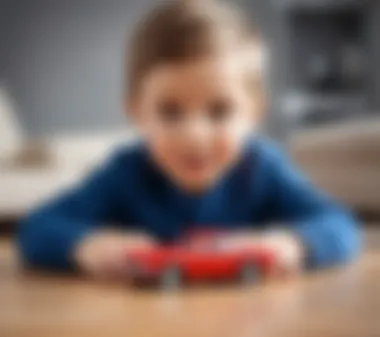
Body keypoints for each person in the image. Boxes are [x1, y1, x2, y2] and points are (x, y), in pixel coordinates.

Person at [18, 0, 360, 280]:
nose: (194, 135)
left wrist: (292, 243)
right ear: (137, 112)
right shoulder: (127, 172)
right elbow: (38, 227)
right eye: (170, 112)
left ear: (254, 114)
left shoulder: (261, 168)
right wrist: (85, 245)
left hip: (246, 329)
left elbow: (339, 225)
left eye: (219, 111)